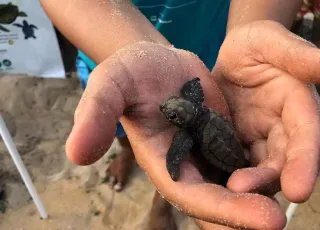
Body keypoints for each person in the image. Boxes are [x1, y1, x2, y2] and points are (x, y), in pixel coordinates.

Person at [40, 0, 320, 229]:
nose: (167, 110)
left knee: (180, 164)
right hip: (107, 46)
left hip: (211, 40)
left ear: (182, 120)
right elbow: (193, 87)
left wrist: (249, 31)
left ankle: (162, 199)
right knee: (124, 124)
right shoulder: (196, 107)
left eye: (171, 113)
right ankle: (128, 153)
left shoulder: (188, 131)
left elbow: (180, 142)